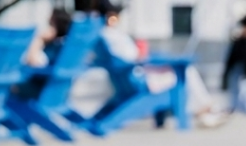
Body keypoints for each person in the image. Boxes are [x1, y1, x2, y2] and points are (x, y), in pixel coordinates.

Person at [97, 2, 226, 128]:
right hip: (137, 78)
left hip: (128, 77)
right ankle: (205, 110)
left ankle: (205, 110)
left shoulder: (103, 35)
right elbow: (133, 57)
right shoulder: (113, 36)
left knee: (184, 73)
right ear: (111, 17)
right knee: (185, 72)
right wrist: (145, 53)